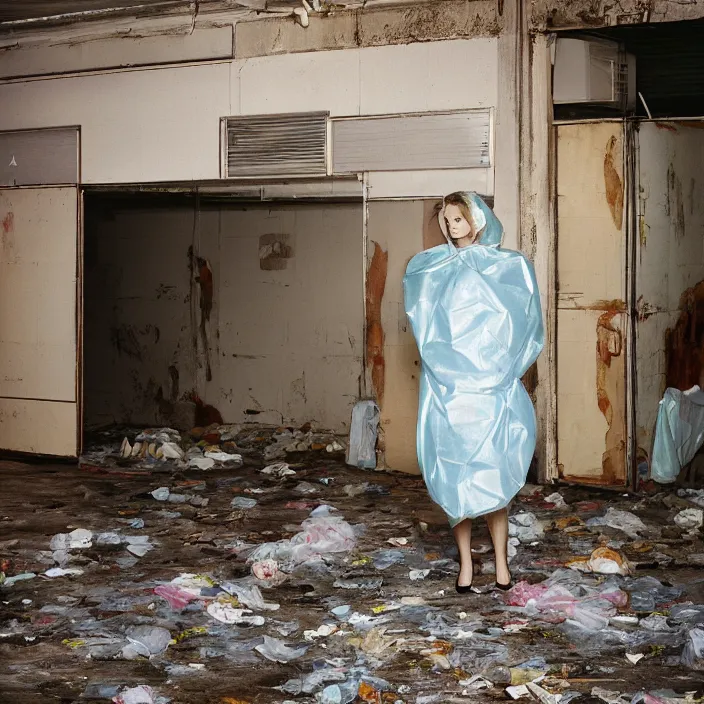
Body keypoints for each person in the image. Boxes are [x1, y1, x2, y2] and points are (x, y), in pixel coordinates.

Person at [402, 191, 544, 593]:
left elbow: (525, 325)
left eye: (458, 219)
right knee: (455, 481)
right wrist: (444, 372)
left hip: (490, 390)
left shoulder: (508, 266)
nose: (451, 226)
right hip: (451, 392)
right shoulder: (432, 268)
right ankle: (465, 563)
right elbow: (428, 327)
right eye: (446, 220)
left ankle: (501, 563)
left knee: (494, 480)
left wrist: (503, 372)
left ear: (477, 219)